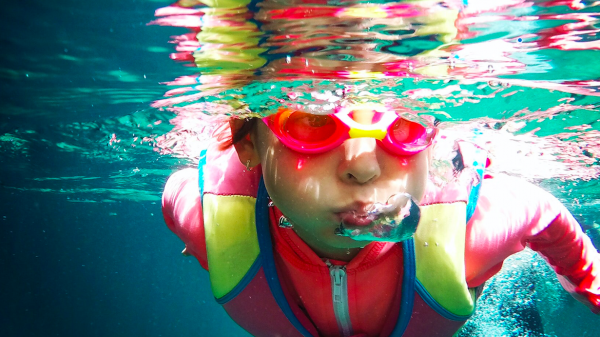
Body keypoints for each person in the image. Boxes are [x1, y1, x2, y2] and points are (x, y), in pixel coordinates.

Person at [161, 103, 600, 337]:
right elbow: (175, 193)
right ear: (248, 146)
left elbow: (541, 212)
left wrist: (586, 280)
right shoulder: (213, 222)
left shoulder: (464, 235)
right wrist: (201, 243)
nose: (364, 167)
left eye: (403, 120)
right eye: (312, 121)